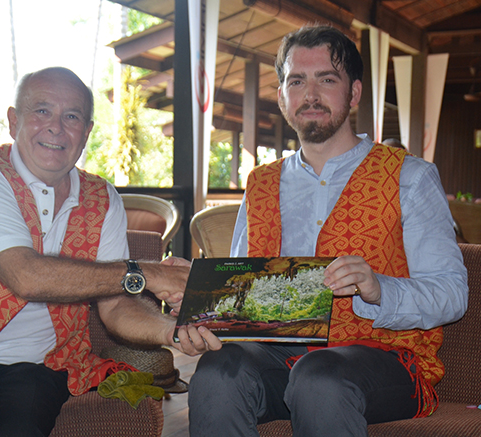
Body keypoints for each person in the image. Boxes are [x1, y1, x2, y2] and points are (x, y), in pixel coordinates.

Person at [0, 66, 220, 437]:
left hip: (28, 371)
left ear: (86, 132)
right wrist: (152, 272)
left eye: (71, 116)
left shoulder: (103, 200)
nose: (56, 127)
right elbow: (26, 276)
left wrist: (173, 331)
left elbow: (116, 305)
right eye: (41, 111)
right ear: (13, 121)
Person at [188, 25, 468, 436]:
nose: (310, 94)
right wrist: (200, 306)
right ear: (282, 95)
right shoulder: (260, 183)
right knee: (216, 370)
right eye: (296, 80)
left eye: (327, 79)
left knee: (319, 377)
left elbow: (452, 293)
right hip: (280, 357)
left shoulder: (409, 177)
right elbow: (243, 298)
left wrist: (379, 288)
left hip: (386, 360)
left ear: (353, 93)